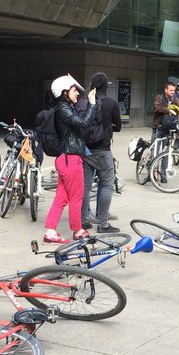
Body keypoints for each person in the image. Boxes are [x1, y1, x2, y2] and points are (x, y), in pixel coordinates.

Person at [42, 74, 101, 244]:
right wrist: (92, 104)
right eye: (75, 90)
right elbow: (83, 123)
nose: (77, 94)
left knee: (61, 198)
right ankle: (78, 231)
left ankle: (50, 232)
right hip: (71, 159)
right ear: (65, 92)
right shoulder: (64, 109)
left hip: (66, 158)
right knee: (76, 198)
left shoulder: (64, 108)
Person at [80, 72, 121, 233]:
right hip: (103, 150)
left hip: (85, 150)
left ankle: (84, 220)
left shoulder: (83, 103)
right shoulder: (111, 103)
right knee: (106, 184)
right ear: (106, 87)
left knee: (85, 187)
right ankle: (103, 223)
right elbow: (118, 126)